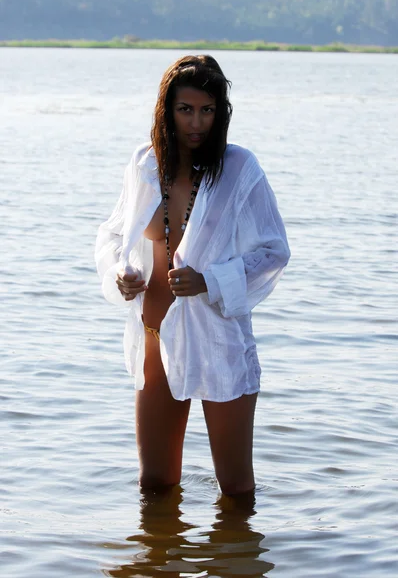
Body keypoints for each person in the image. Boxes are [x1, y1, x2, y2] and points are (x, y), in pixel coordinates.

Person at [95, 54, 290, 496]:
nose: (197, 122)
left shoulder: (240, 169)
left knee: (236, 489)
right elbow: (111, 233)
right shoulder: (145, 165)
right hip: (153, 337)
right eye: (186, 109)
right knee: (155, 486)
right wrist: (120, 272)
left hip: (217, 338)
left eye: (208, 110)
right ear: (167, 110)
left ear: (221, 112)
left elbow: (274, 250)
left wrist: (210, 280)